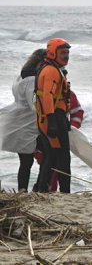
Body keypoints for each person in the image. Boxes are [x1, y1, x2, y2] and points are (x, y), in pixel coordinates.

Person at [0, 49, 45, 192]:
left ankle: (24, 190)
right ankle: (35, 188)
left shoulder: (21, 75)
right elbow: (34, 105)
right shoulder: (32, 79)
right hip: (27, 124)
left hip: (19, 120)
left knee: (26, 161)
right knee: (46, 155)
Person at [35, 38, 72, 193]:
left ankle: (42, 189)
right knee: (61, 157)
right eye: (63, 53)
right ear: (52, 53)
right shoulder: (50, 71)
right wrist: (52, 121)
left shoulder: (53, 69)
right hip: (52, 117)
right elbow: (47, 96)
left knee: (54, 155)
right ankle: (63, 192)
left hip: (54, 117)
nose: (66, 56)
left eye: (67, 53)